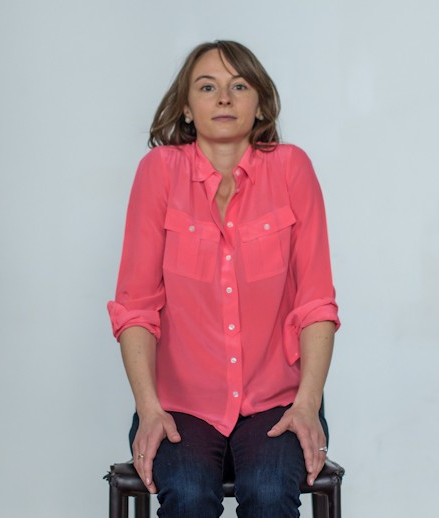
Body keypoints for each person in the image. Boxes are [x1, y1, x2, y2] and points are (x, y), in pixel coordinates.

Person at [108, 40, 340, 518]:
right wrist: (149, 410)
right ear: (186, 108)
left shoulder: (291, 168)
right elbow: (136, 308)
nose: (224, 98)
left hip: (277, 400)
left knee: (270, 491)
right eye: (207, 87)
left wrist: (307, 404)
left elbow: (316, 303)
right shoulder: (159, 173)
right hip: (181, 404)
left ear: (260, 104)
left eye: (239, 86)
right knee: (188, 495)